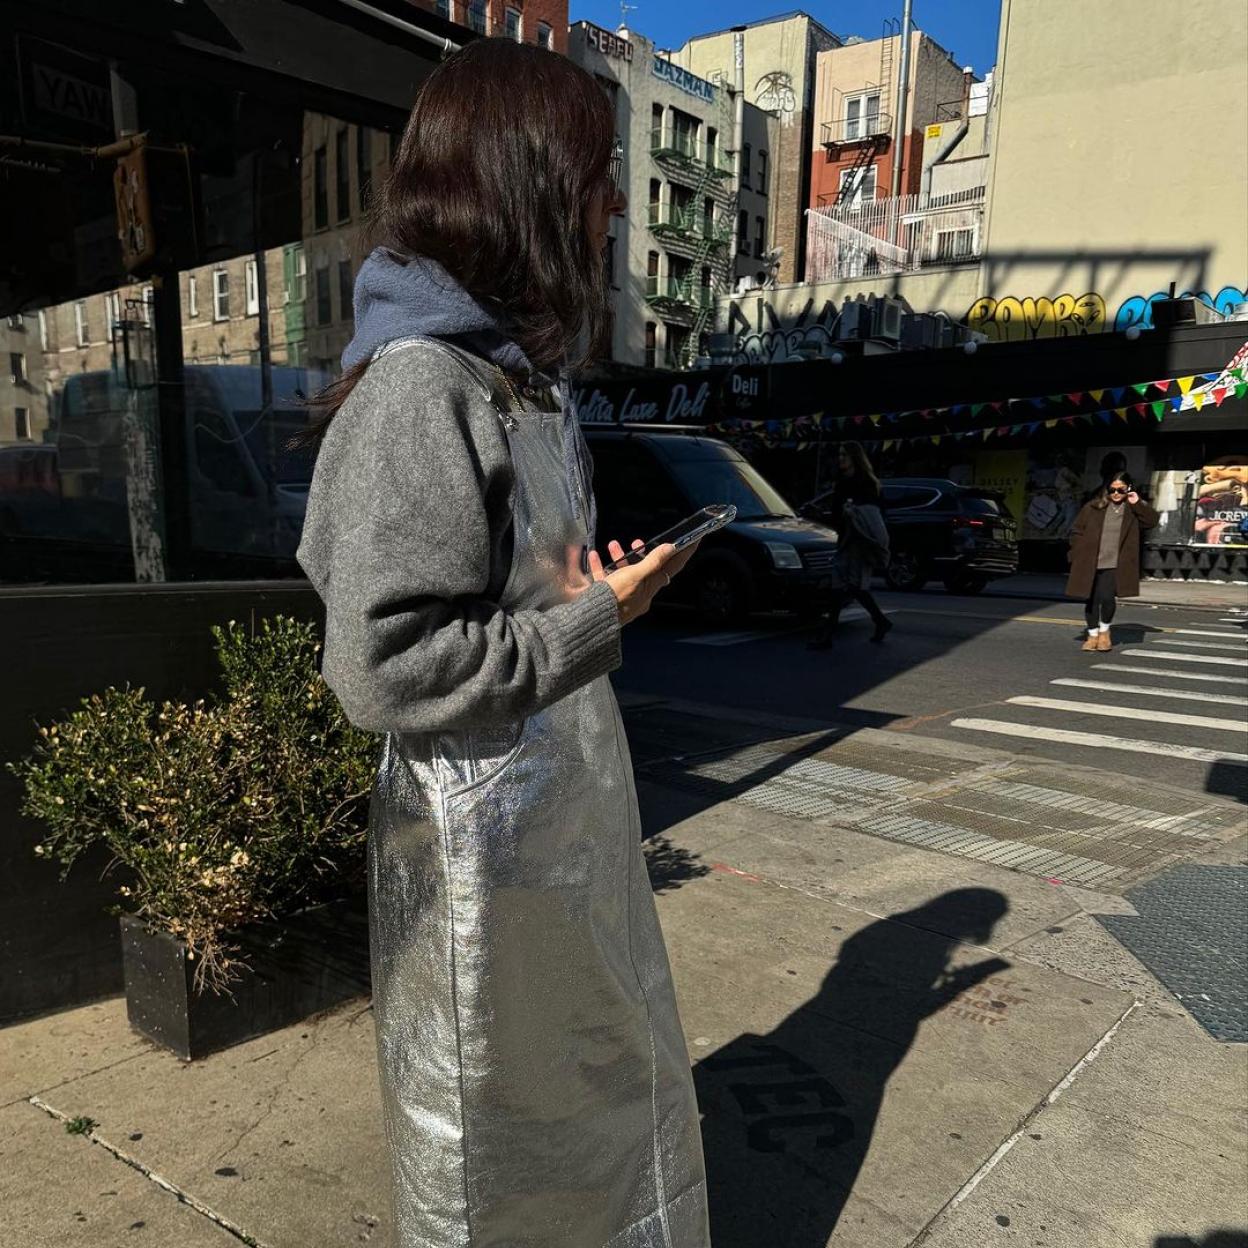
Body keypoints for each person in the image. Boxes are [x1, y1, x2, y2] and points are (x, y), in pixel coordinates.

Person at [295, 41, 709, 1248]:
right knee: (484, 1140)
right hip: (476, 858)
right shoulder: (424, 390)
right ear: (525, 184)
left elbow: (500, 600)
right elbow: (379, 668)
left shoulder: (517, 381)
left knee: (597, 1103)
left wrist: (576, 583)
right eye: (601, 173)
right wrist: (596, 619)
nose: (618, 203)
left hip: (557, 832)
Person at [808, 443, 893, 646]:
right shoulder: (846, 481)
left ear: (855, 457)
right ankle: (879, 621)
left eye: (844, 455)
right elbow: (839, 515)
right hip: (846, 539)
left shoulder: (865, 483)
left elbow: (868, 515)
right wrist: (825, 516)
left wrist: (839, 514)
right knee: (844, 587)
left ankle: (828, 636)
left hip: (858, 541)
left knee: (849, 587)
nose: (841, 458)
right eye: (839, 455)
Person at [1066, 471, 1159, 651]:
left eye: (1121, 490)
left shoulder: (1132, 510)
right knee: (1091, 599)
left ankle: (1104, 632)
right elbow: (1076, 531)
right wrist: (1076, 553)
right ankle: (1092, 636)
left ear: (1128, 489)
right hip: (1089, 561)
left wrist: (1136, 502)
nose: (1116, 493)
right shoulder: (1093, 507)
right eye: (1112, 489)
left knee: (1107, 597)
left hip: (1115, 562)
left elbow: (1152, 521)